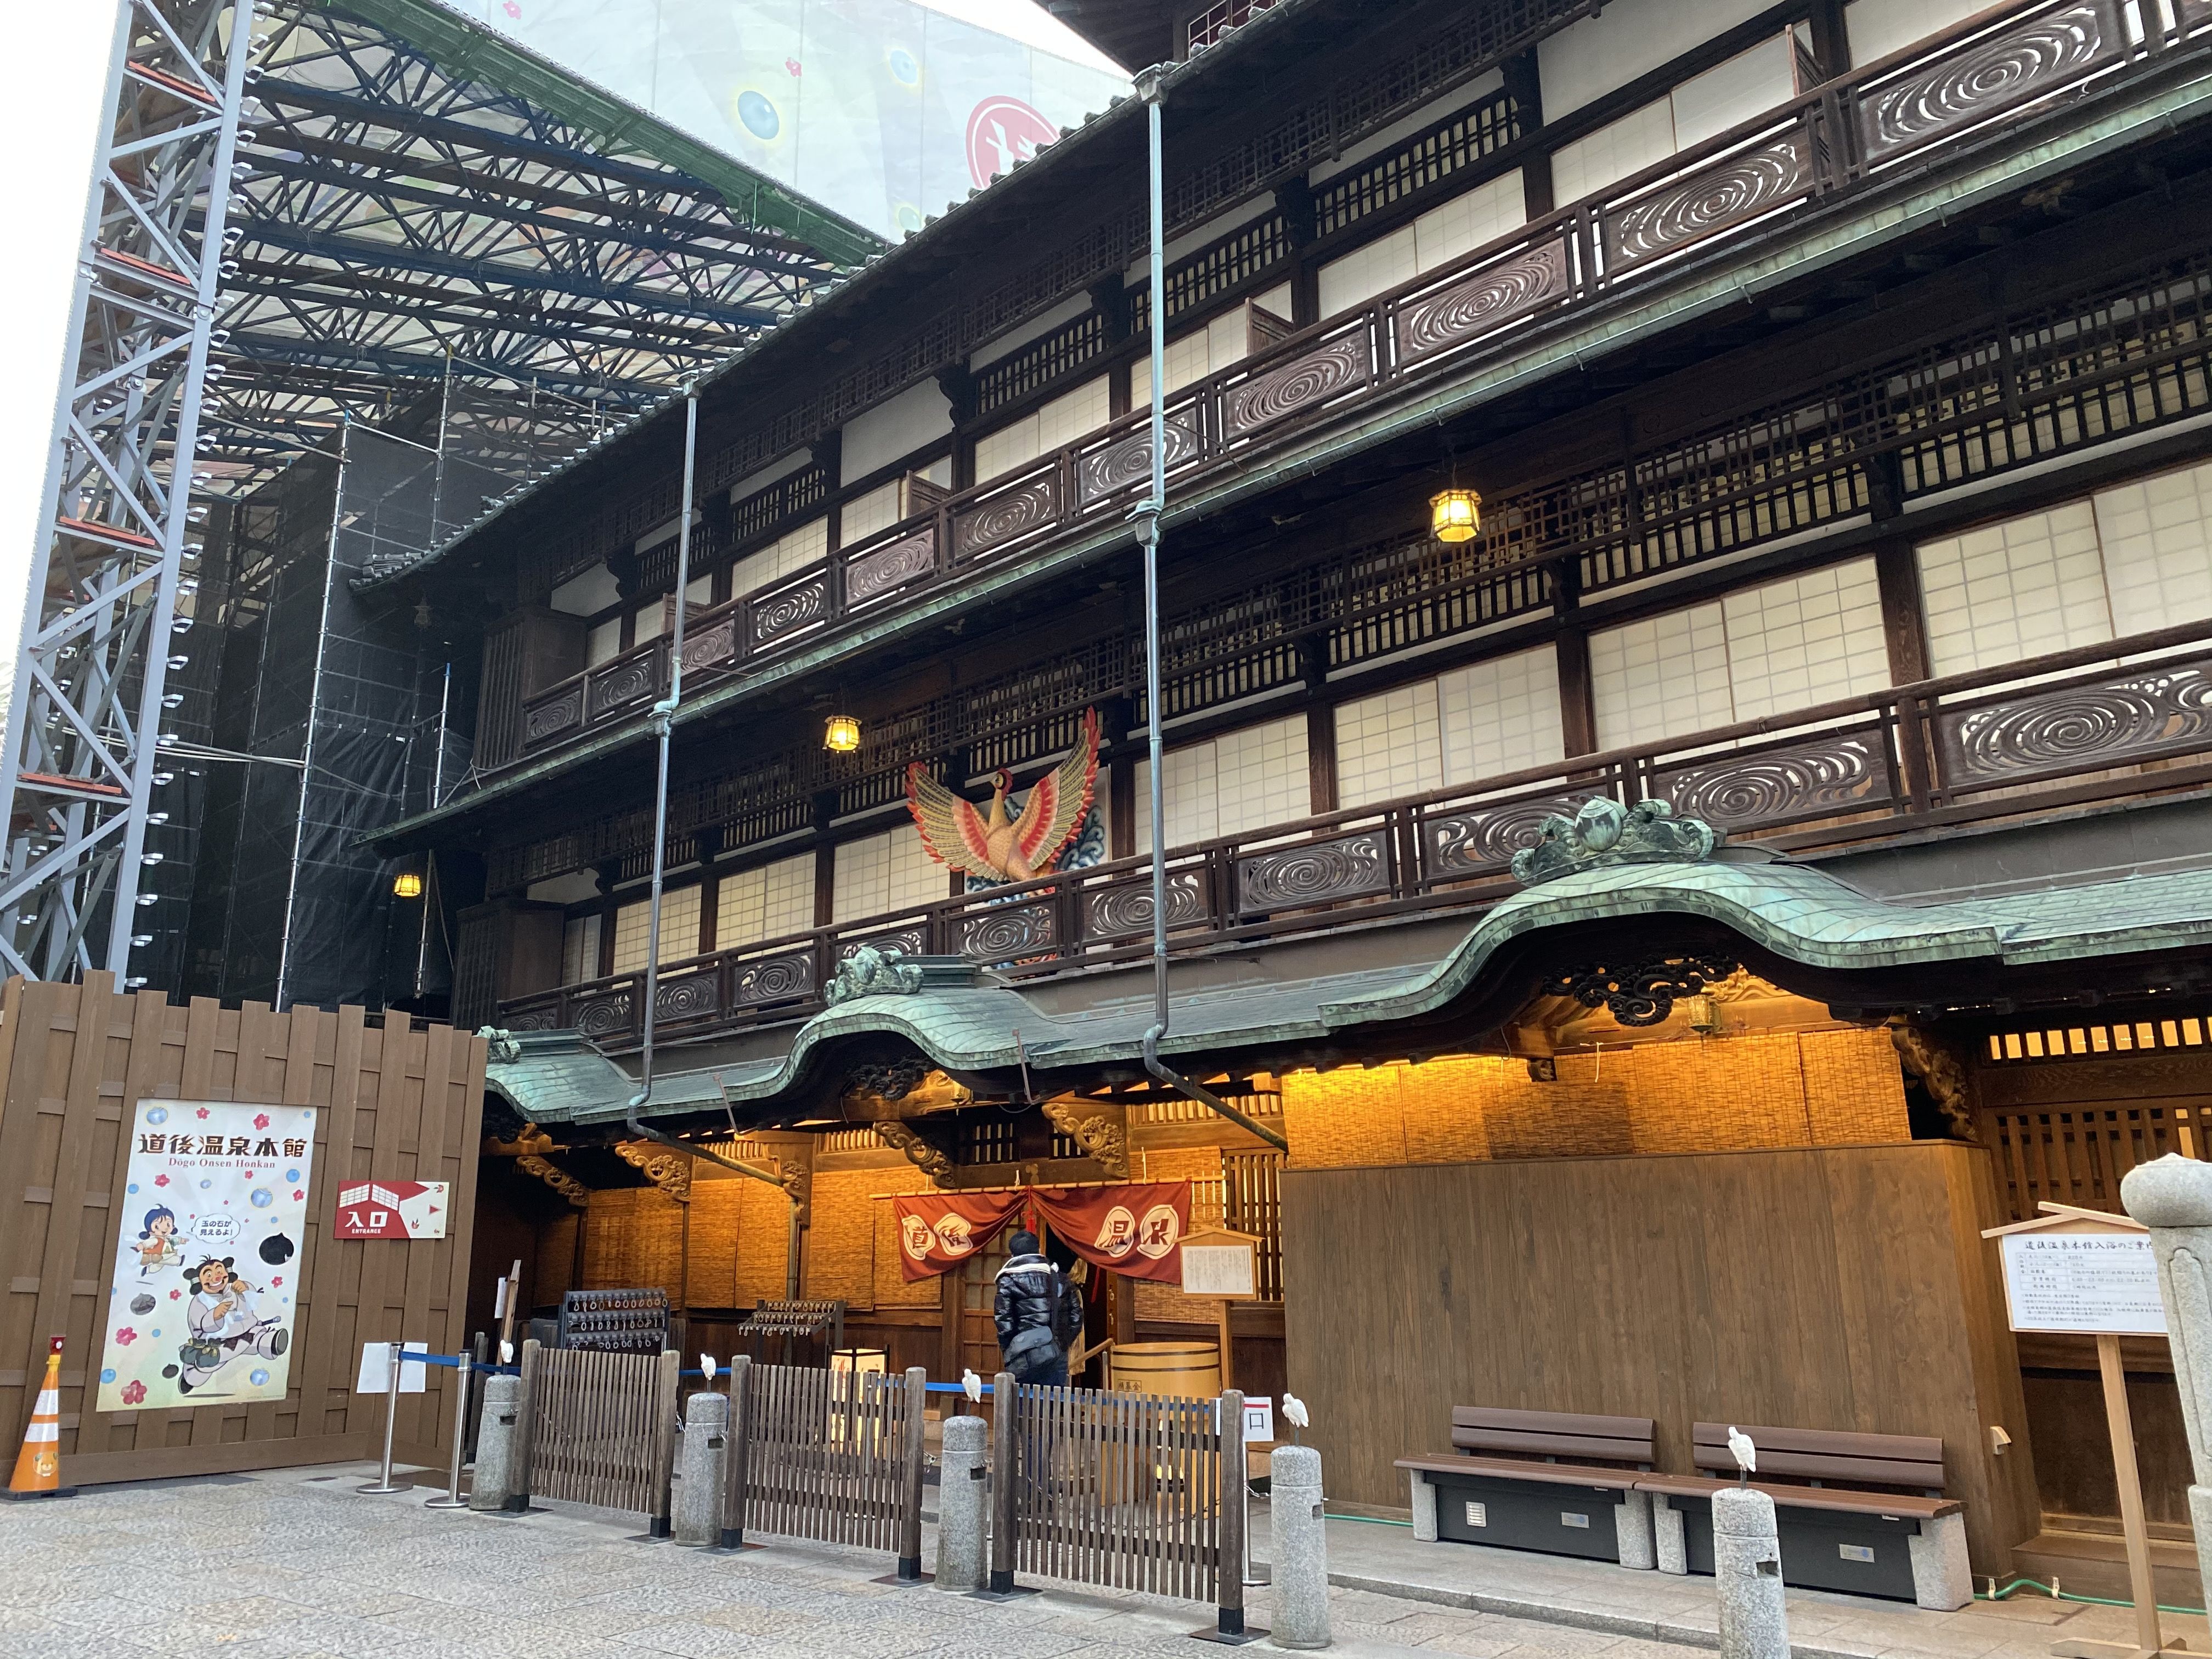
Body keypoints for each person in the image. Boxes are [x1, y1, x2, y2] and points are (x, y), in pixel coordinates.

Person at [994, 1231, 1083, 1387]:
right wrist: (1062, 1343)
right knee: (1053, 1400)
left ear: (1013, 1254)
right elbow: (1076, 1317)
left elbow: (1004, 1321)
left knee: (1022, 1400)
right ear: (1038, 1250)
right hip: (1056, 1353)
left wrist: (1010, 1348)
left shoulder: (1008, 1280)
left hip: (1022, 1355)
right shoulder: (1060, 1278)